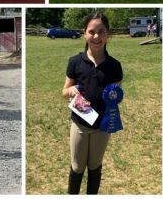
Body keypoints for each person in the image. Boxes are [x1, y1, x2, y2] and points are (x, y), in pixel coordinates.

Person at [64, 12, 123, 195]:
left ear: (108, 34)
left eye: (101, 31)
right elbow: (64, 90)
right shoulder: (75, 62)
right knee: (77, 166)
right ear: (84, 33)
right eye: (92, 31)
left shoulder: (115, 66)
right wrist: (71, 91)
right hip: (80, 123)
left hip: (102, 127)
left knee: (95, 166)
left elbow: (116, 95)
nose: (96, 36)